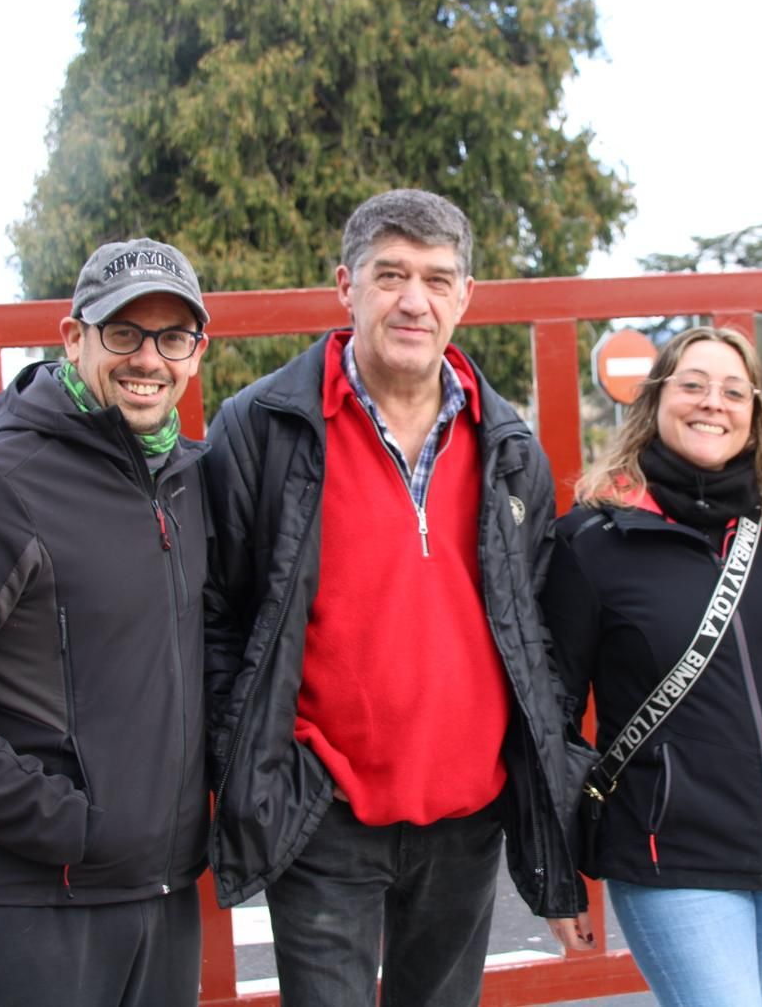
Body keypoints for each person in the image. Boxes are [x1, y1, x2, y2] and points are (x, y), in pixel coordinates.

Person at [202, 189, 588, 1006]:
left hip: (467, 818)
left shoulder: (508, 447)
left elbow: (537, 633)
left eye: (438, 279)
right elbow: (218, 618)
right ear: (346, 285)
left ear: (465, 298)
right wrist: (261, 766)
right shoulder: (263, 427)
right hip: (321, 816)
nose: (415, 300)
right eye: (391, 275)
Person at [0, 238, 213, 1006]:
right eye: (123, 332)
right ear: (72, 337)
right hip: (22, 910)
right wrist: (69, 826)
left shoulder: (190, 479)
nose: (147, 359)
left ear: (196, 351)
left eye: (171, 336)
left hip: (158, 900)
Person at [541, 326, 762, 1007]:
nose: (714, 403)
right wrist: (553, 873)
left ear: (755, 414)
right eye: (694, 385)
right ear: (655, 401)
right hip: (670, 855)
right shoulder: (591, 542)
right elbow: (552, 718)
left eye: (734, 391)